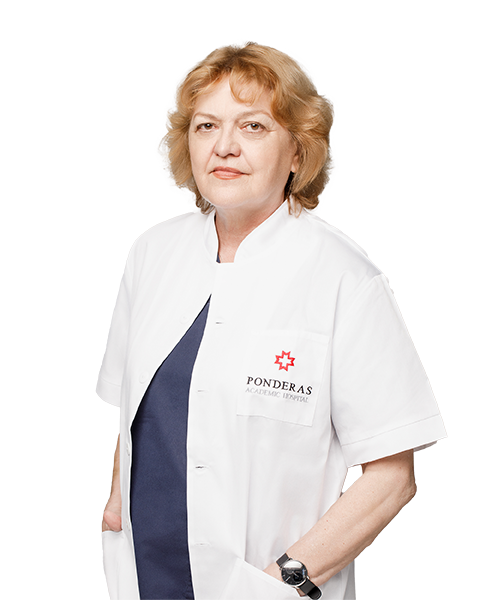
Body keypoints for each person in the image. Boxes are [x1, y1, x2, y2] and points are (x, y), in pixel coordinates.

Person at [97, 41, 447, 600]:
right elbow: (133, 407)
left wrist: (284, 580)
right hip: (147, 579)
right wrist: (119, 499)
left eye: (253, 126)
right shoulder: (151, 254)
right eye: (206, 126)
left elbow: (392, 477)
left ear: (297, 152)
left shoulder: (344, 277)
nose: (225, 146)